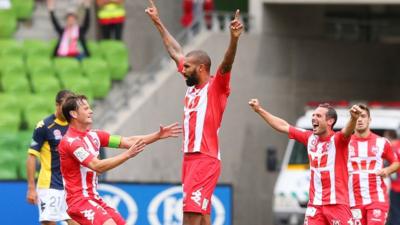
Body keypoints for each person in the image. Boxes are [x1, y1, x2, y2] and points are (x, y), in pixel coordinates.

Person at [146, 1, 243, 224]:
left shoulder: (215, 87)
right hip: (190, 158)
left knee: (190, 215)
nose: (183, 69)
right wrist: (157, 21)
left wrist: (233, 39)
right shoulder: (192, 85)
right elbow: (175, 51)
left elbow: (226, 64)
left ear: (201, 68)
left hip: (204, 158)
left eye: (187, 67)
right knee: (202, 215)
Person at [58, 94, 182, 225]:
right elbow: (97, 166)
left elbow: (128, 141)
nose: (91, 111)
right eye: (86, 108)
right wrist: (127, 155)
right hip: (78, 201)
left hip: (93, 198)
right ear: (74, 114)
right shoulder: (70, 142)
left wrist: (157, 135)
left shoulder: (95, 136)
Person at [248, 99, 361, 225]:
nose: (314, 118)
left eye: (318, 116)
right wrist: (259, 110)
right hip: (315, 206)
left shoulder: (338, 140)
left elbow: (347, 130)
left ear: (330, 121)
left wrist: (354, 119)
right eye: (313, 115)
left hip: (337, 204)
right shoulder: (310, 138)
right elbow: (283, 126)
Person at [26, 90, 78, 225]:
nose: (69, 110)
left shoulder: (75, 125)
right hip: (49, 185)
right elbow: (32, 156)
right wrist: (31, 188)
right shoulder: (44, 126)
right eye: (66, 106)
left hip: (70, 186)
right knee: (49, 223)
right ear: (57, 105)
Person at [347, 104, 399, 225]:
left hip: (376, 199)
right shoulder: (345, 143)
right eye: (357, 117)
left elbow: (396, 163)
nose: (360, 119)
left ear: (369, 120)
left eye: (363, 116)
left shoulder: (382, 142)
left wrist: (387, 170)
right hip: (353, 201)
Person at [386, 131, 400, 225]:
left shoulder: (393, 147)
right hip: (396, 186)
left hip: (396, 187)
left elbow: (387, 164)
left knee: (395, 213)